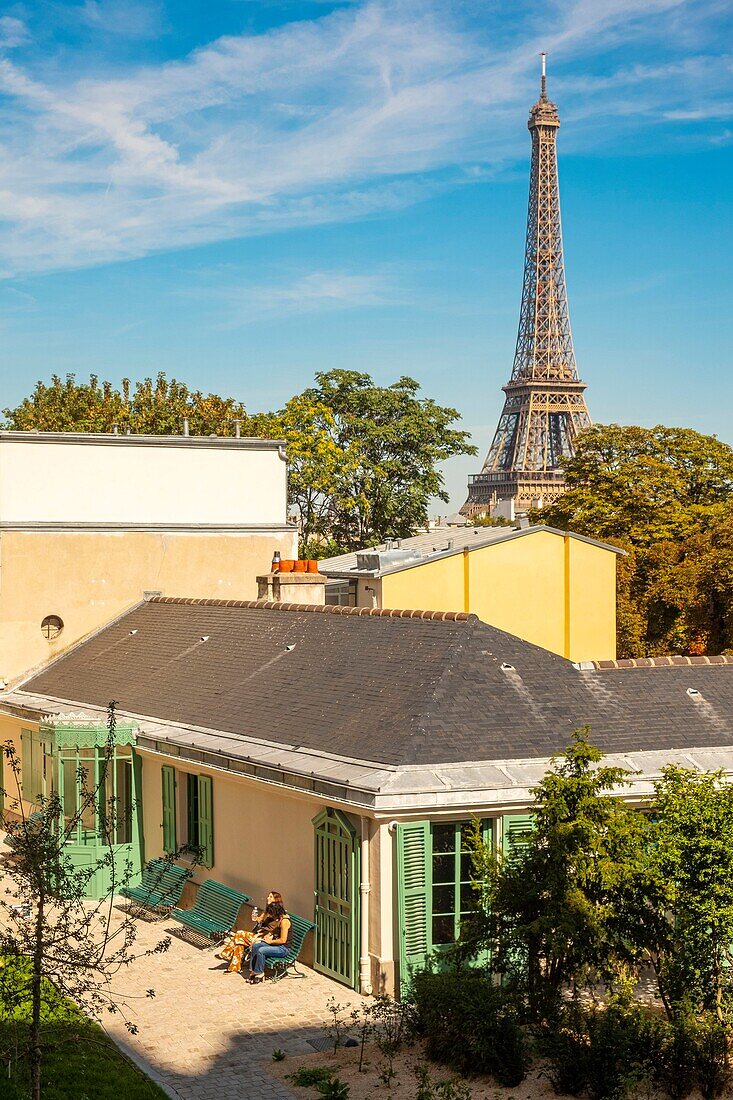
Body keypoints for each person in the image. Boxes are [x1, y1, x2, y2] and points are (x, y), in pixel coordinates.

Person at [215, 891, 286, 975]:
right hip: (259, 934)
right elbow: (260, 919)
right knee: (239, 942)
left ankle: (226, 954)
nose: (267, 898)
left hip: (264, 938)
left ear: (276, 900)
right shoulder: (267, 910)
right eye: (268, 896)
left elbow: (274, 931)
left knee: (239, 934)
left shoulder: (279, 914)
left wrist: (261, 934)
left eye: (270, 897)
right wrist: (256, 917)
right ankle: (234, 967)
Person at [247, 891, 291, 984]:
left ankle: (259, 973)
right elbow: (272, 931)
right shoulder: (278, 918)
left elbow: (283, 940)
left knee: (261, 950)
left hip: (283, 948)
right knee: (256, 946)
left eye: (271, 914)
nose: (270, 916)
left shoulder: (284, 921)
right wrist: (267, 936)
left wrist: (270, 942)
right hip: (275, 944)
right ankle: (253, 972)